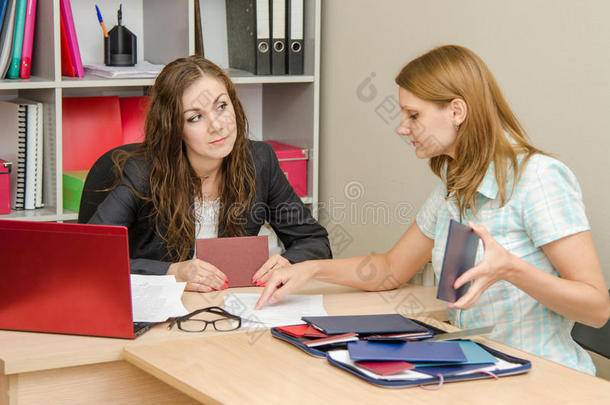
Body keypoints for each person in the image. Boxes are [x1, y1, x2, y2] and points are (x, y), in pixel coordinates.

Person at [256, 45, 610, 374]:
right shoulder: (452, 187)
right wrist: (310, 268)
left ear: (456, 111)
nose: (402, 127)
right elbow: (391, 269)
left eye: (414, 114)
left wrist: (513, 270)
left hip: (544, 378)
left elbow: (597, 309)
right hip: (476, 366)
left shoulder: (537, 178)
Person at [89, 55, 331, 292]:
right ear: (173, 128)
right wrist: (172, 272)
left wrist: (289, 262)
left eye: (222, 106)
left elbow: (314, 241)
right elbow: (90, 255)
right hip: (163, 314)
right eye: (195, 117)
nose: (217, 126)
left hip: (230, 306)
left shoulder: (259, 161)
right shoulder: (142, 172)